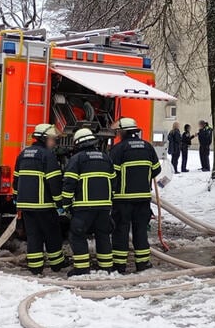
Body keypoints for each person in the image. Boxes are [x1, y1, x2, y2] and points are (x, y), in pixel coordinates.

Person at [14, 123, 68, 275]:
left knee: (33, 235)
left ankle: (35, 267)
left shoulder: (23, 153)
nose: (54, 143)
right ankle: (57, 264)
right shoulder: (47, 155)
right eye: (52, 139)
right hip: (44, 205)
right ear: (44, 138)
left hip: (26, 205)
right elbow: (53, 182)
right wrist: (59, 203)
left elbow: (16, 179)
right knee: (52, 234)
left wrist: (16, 198)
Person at [109, 117, 161, 273]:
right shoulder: (147, 147)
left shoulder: (118, 149)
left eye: (119, 132)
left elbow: (112, 174)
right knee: (140, 231)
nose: (118, 134)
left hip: (123, 199)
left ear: (123, 132)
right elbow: (157, 170)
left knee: (121, 231)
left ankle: (119, 265)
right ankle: (143, 263)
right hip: (143, 199)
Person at [61, 128, 116, 277]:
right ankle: (106, 267)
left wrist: (65, 204)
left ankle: (82, 268)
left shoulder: (77, 159)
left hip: (83, 208)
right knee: (103, 235)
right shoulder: (106, 158)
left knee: (77, 235)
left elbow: (69, 183)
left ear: (78, 143)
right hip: (104, 207)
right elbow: (114, 182)